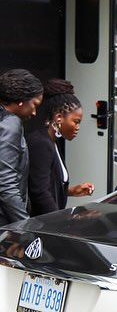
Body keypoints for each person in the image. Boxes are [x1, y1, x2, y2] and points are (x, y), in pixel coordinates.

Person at [26, 79, 94, 216]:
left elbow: (48, 186)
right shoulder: (41, 143)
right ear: (58, 118)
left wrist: (72, 191)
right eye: (76, 122)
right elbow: (39, 192)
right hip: (40, 227)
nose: (77, 128)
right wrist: (59, 222)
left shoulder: (53, 142)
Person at [0, 69, 43, 225]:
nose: (34, 112)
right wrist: (25, 225)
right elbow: (6, 184)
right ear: (21, 101)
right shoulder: (10, 124)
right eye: (34, 105)